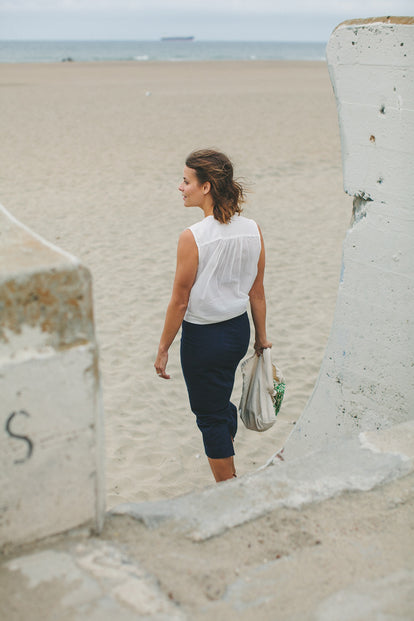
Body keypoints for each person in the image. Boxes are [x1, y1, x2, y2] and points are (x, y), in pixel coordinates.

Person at [154, 149, 271, 483]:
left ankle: (229, 488)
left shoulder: (193, 237)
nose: (181, 187)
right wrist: (261, 338)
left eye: (186, 181)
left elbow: (179, 302)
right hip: (238, 332)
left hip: (203, 339)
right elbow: (257, 292)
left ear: (206, 187)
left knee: (209, 416)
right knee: (219, 403)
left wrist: (163, 347)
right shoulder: (253, 230)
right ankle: (228, 461)